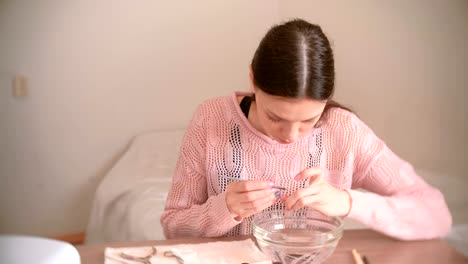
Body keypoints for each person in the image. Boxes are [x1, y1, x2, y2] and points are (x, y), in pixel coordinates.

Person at [160, 19, 452, 240]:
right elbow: (173, 226)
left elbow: (436, 215)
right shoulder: (211, 119)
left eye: (309, 121)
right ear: (252, 79)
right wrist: (225, 208)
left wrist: (347, 201)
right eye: (275, 116)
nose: (290, 136)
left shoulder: (343, 130)